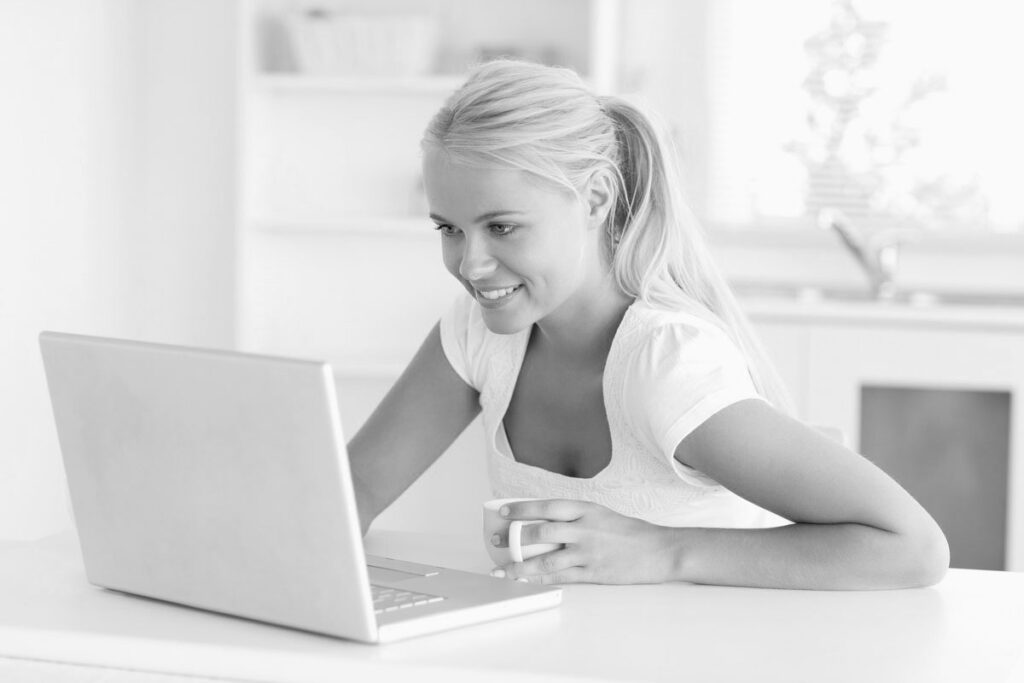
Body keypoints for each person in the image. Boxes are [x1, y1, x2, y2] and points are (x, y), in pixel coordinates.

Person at [347, 59, 949, 590]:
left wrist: (665, 550)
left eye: (501, 226)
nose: (470, 264)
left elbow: (912, 548)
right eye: (448, 228)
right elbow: (353, 494)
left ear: (595, 197)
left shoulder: (665, 364)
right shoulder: (477, 332)